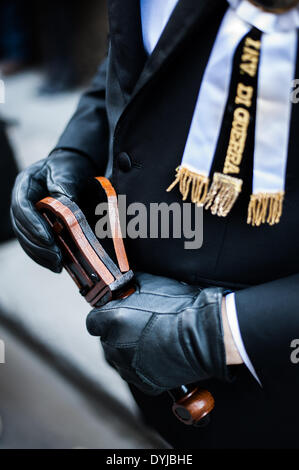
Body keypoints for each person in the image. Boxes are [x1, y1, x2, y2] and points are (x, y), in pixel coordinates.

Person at [10, 0, 299, 448]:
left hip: (272, 386)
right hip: (146, 360)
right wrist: (74, 152)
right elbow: (133, 56)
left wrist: (211, 334)